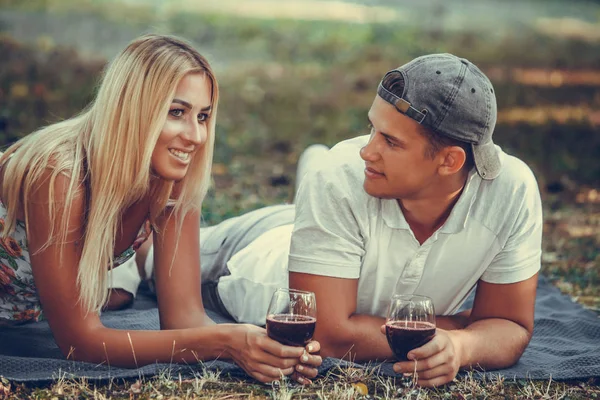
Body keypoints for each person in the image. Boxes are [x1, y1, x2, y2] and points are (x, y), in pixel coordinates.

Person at [139, 53, 542, 387]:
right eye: (372, 129)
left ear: (450, 161)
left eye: (390, 141)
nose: (367, 150)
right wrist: (458, 326)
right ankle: (136, 256)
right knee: (156, 261)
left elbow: (508, 326)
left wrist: (461, 346)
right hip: (253, 256)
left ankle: (310, 169)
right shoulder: (342, 175)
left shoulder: (511, 193)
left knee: (322, 184)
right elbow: (328, 334)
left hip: (331, 228)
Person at [0, 34, 321, 384]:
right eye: (177, 112)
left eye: (203, 116)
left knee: (118, 297)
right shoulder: (60, 174)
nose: (196, 136)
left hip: (23, 315)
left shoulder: (172, 178)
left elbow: (185, 320)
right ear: (132, 110)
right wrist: (227, 342)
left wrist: (264, 349)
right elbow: (80, 343)